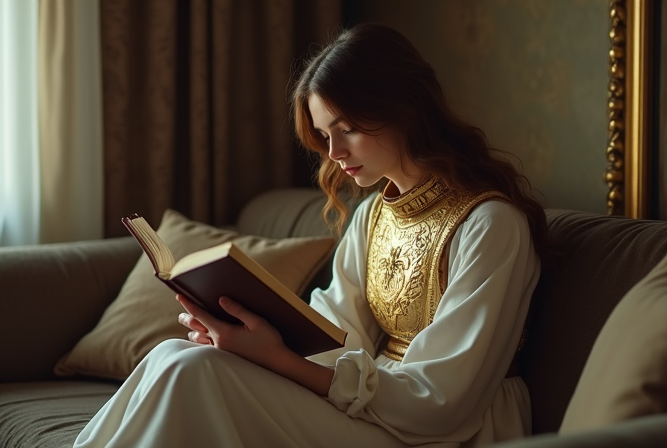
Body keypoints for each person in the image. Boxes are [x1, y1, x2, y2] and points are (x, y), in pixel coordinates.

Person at [74, 23, 549, 448]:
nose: (335, 152)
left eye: (348, 130)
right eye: (324, 136)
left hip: (444, 431)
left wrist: (277, 360)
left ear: (405, 109)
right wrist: (247, 342)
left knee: (191, 374)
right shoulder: (373, 216)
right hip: (376, 404)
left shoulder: (490, 226)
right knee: (174, 354)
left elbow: (441, 402)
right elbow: (336, 335)